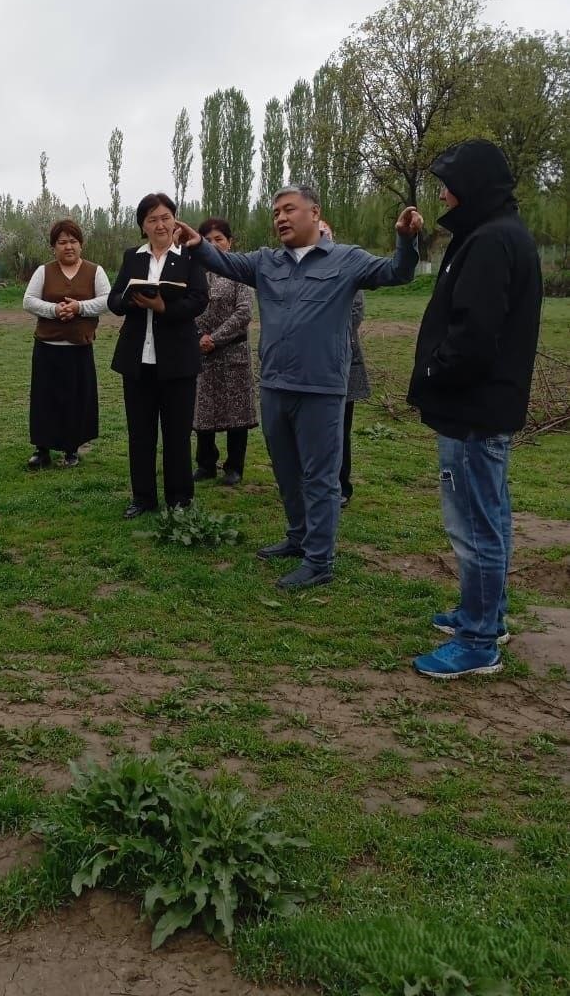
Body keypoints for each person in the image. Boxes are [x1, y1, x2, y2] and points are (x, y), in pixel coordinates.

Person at [175, 187, 422, 589]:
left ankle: (320, 560)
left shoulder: (347, 259)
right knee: (287, 470)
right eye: (276, 212)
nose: (280, 218)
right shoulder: (266, 262)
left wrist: (406, 240)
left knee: (320, 477)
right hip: (274, 384)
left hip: (321, 389)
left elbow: (397, 272)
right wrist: (197, 243)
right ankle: (298, 537)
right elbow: (225, 261)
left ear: (315, 212)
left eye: (289, 209)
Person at [408, 140, 543, 680]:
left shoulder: (489, 241)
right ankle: (486, 612)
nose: (442, 195)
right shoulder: (501, 232)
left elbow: (474, 337)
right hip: (489, 405)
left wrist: (434, 373)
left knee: (474, 525)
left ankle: (479, 641)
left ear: (473, 186)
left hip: (472, 409)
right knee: (493, 515)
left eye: (449, 185)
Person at [108, 193, 209, 517]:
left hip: (178, 361)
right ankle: (143, 498)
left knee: (177, 434)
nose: (160, 224)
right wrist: (130, 300)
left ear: (175, 220)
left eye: (165, 217)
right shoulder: (132, 257)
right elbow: (113, 299)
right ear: (143, 226)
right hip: (137, 361)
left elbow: (199, 299)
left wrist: (164, 306)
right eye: (152, 219)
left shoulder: (189, 256)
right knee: (140, 433)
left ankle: (179, 499)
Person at [22, 219, 111, 469]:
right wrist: (54, 310)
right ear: (54, 247)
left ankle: (72, 448)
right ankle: (42, 449)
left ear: (81, 245)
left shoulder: (95, 271)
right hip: (47, 348)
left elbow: (107, 301)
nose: (68, 246)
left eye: (73, 241)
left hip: (79, 349)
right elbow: (29, 300)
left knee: (76, 400)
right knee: (44, 400)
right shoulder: (44, 271)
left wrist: (79, 307)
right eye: (62, 242)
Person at [192, 218, 257, 487]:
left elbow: (244, 312)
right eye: (207, 240)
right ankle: (206, 464)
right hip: (201, 353)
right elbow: (186, 307)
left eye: (219, 239)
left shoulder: (240, 271)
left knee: (236, 413)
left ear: (229, 242)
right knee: (203, 411)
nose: (213, 244)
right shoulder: (193, 271)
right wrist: (198, 338)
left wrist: (215, 339)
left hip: (233, 352)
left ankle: (234, 466)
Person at [319, 220, 369, 508]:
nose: (321, 239)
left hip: (342, 364)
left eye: (325, 234)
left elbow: (355, 313)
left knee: (339, 429)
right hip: (308, 366)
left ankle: (340, 486)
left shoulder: (347, 267)